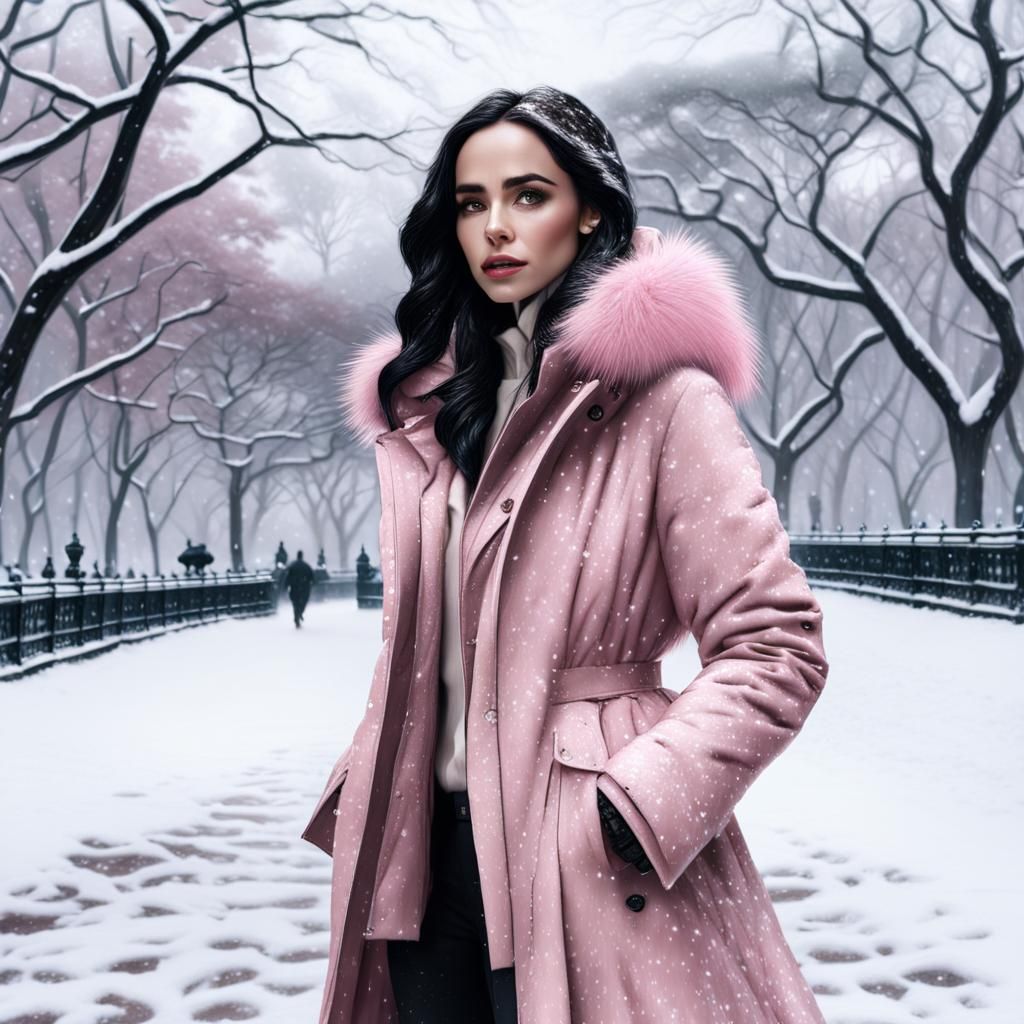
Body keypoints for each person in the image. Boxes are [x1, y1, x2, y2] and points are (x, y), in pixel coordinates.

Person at [301, 86, 830, 1024]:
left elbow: (776, 643)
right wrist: (370, 770)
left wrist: (645, 797)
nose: (496, 227)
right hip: (421, 856)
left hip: (582, 854)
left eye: (528, 195)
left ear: (589, 207)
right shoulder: (432, 410)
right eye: (472, 203)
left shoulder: (664, 401)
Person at [284, 550, 315, 627]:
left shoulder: (292, 566)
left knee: (295, 603)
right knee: (303, 602)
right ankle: (300, 613)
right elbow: (312, 577)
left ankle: (296, 617)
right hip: (304, 588)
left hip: (294, 587)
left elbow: (287, 577)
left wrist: (286, 586)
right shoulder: (306, 566)